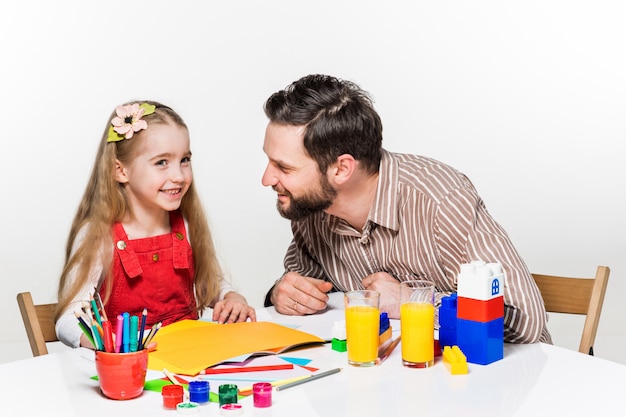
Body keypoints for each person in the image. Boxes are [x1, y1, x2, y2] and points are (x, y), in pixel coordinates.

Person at [260, 74, 551, 344]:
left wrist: (411, 302)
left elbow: (525, 319)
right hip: (399, 381)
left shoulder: (441, 200)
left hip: (500, 379)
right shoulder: (309, 206)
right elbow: (305, 287)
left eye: (284, 167)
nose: (267, 179)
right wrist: (281, 294)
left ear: (342, 168)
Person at [55, 100, 256, 349]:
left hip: (187, 364)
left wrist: (231, 297)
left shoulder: (186, 227)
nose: (179, 176)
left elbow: (212, 286)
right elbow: (68, 320)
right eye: (162, 162)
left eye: (185, 160)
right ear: (120, 171)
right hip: (129, 375)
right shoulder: (98, 236)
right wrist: (114, 345)